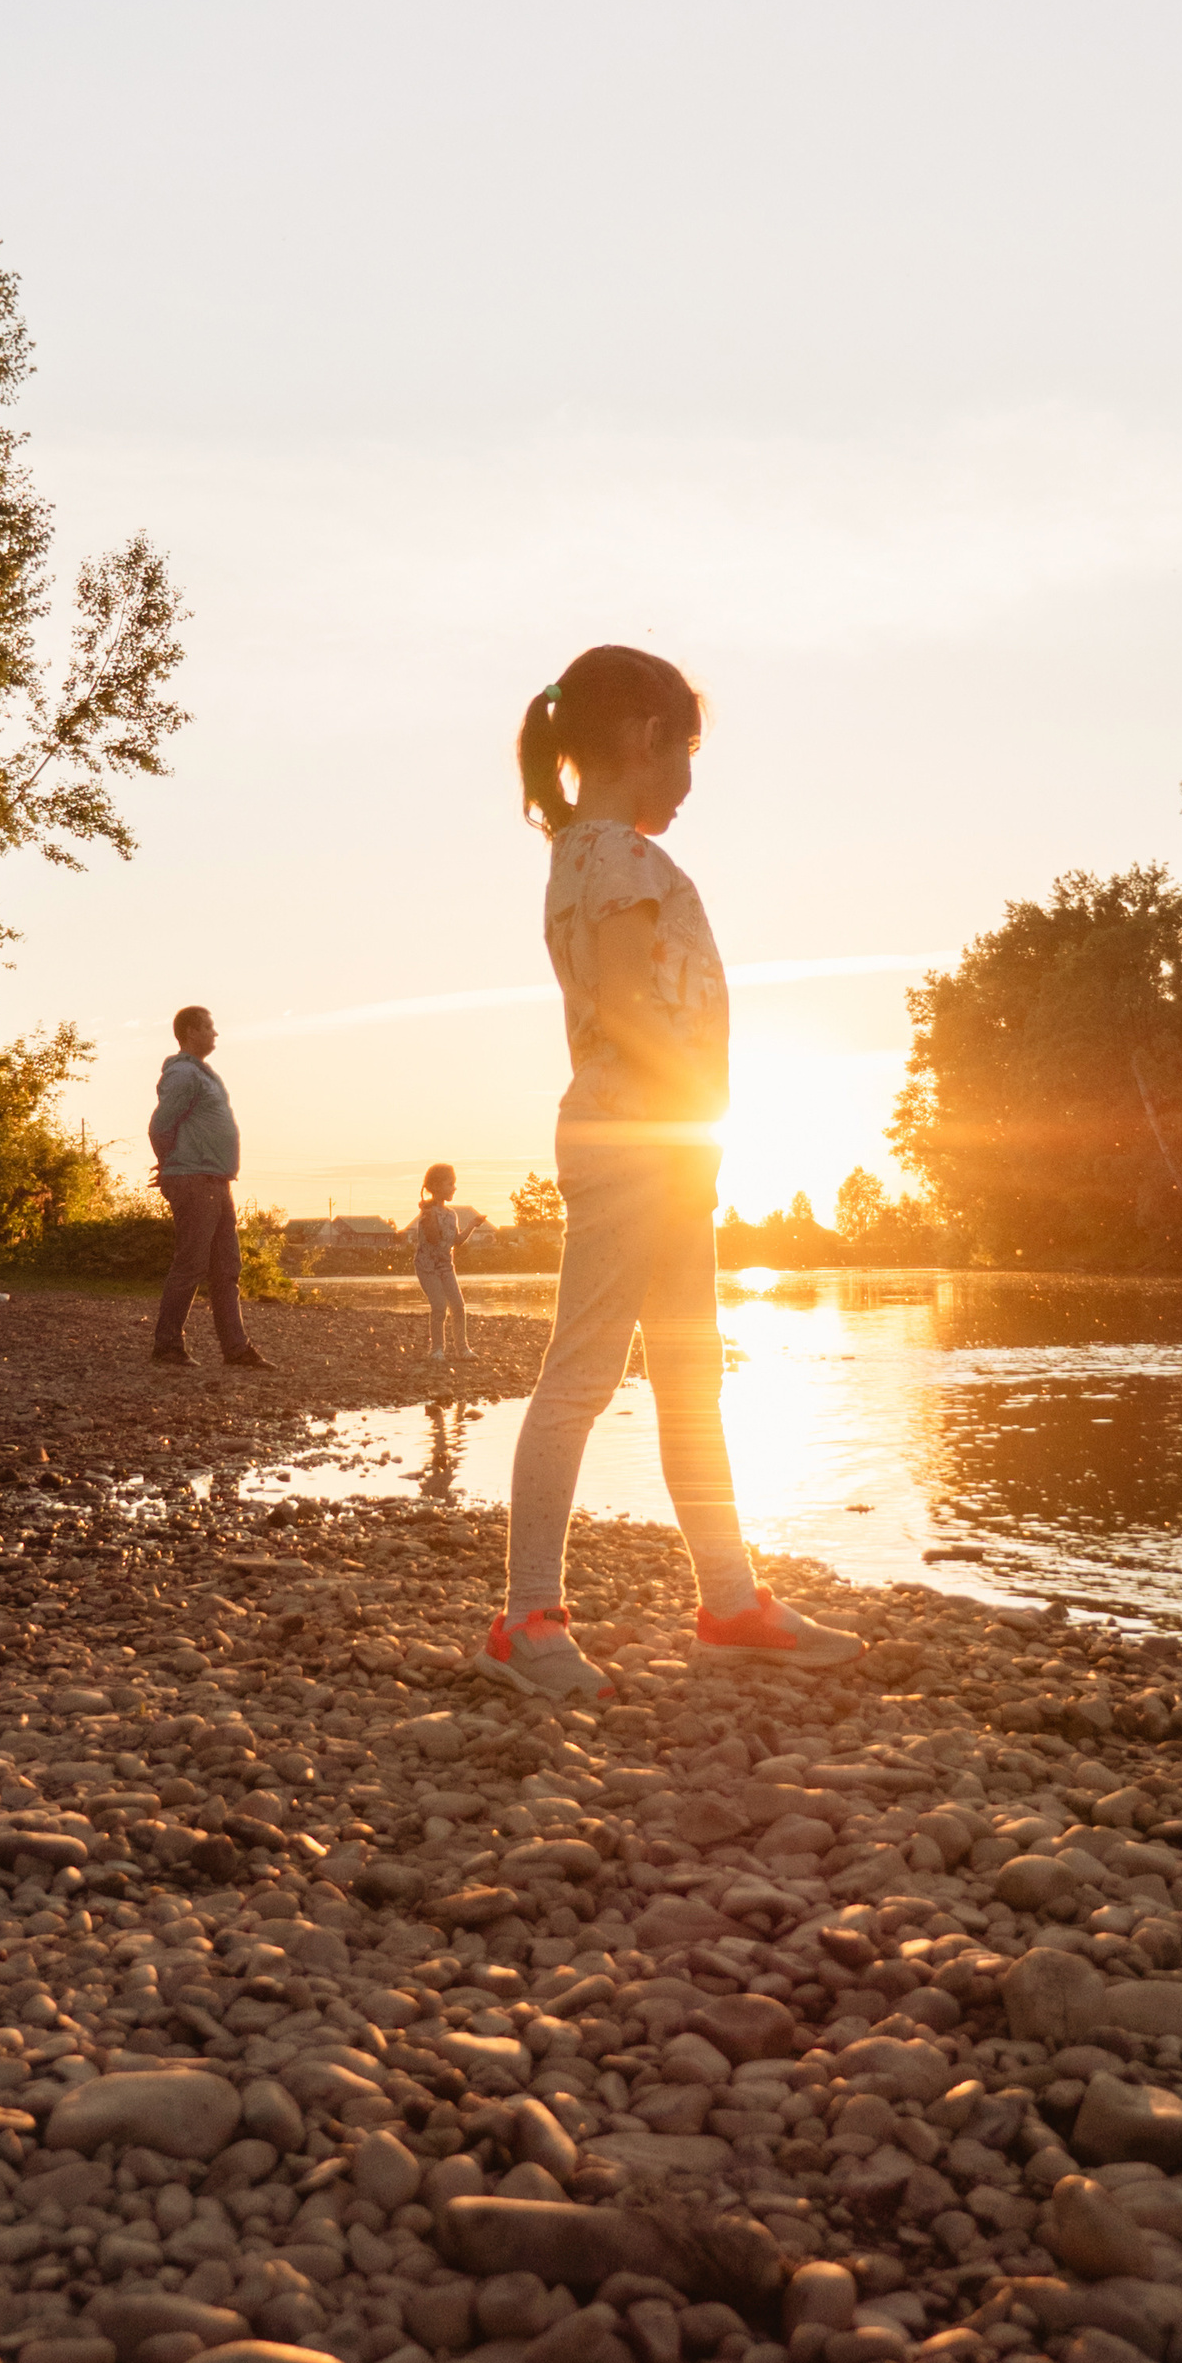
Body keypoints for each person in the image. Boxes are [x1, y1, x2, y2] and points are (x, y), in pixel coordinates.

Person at [478, 647, 865, 1704]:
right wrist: (693, 1113)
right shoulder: (614, 855)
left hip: (658, 1141)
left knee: (692, 1373)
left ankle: (732, 1599)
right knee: (583, 1373)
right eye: (687, 752)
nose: (691, 781)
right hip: (635, 1140)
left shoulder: (585, 850)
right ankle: (525, 1618)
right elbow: (624, 1006)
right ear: (646, 735)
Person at [147, 1005, 272, 1370]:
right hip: (195, 1180)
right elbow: (161, 1125)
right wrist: (171, 1166)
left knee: (226, 1267)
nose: (215, 1034)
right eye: (209, 1027)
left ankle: (236, 1349)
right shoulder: (184, 1074)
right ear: (190, 1032)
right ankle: (168, 1346)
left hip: (215, 1180)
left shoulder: (202, 1074)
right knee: (191, 1264)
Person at [405, 1162, 477, 1369]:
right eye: (450, 1184)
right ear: (437, 1186)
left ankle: (462, 1349)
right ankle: (437, 1349)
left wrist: (472, 1225)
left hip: (446, 1266)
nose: (454, 1188)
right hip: (427, 1266)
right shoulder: (427, 1214)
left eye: (454, 1184)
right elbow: (434, 1240)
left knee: (459, 1306)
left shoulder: (452, 1214)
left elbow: (457, 1241)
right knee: (439, 1307)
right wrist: (429, 1215)